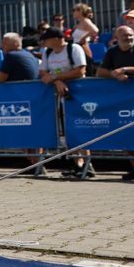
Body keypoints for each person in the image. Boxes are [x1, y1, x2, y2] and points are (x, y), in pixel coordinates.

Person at [97, 26, 134, 180]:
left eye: (131, 35)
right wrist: (114, 75)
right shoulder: (112, 52)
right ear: (117, 37)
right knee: (127, 130)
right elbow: (101, 72)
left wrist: (124, 69)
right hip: (123, 98)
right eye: (125, 35)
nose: (129, 38)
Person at [38, 28, 90, 178]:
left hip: (78, 95)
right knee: (67, 132)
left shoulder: (74, 49)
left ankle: (87, 164)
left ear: (55, 39)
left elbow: (80, 71)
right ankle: (77, 164)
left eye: (46, 39)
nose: (44, 43)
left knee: (80, 128)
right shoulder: (47, 53)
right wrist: (58, 81)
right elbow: (43, 73)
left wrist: (55, 78)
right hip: (60, 96)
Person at [0, 33, 43, 175]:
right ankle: (35, 163)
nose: (2, 46)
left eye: (5, 43)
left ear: (13, 44)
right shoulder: (29, 55)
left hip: (22, 102)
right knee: (33, 134)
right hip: (32, 99)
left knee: (27, 134)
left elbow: (1, 77)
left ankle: (34, 163)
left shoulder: (12, 56)